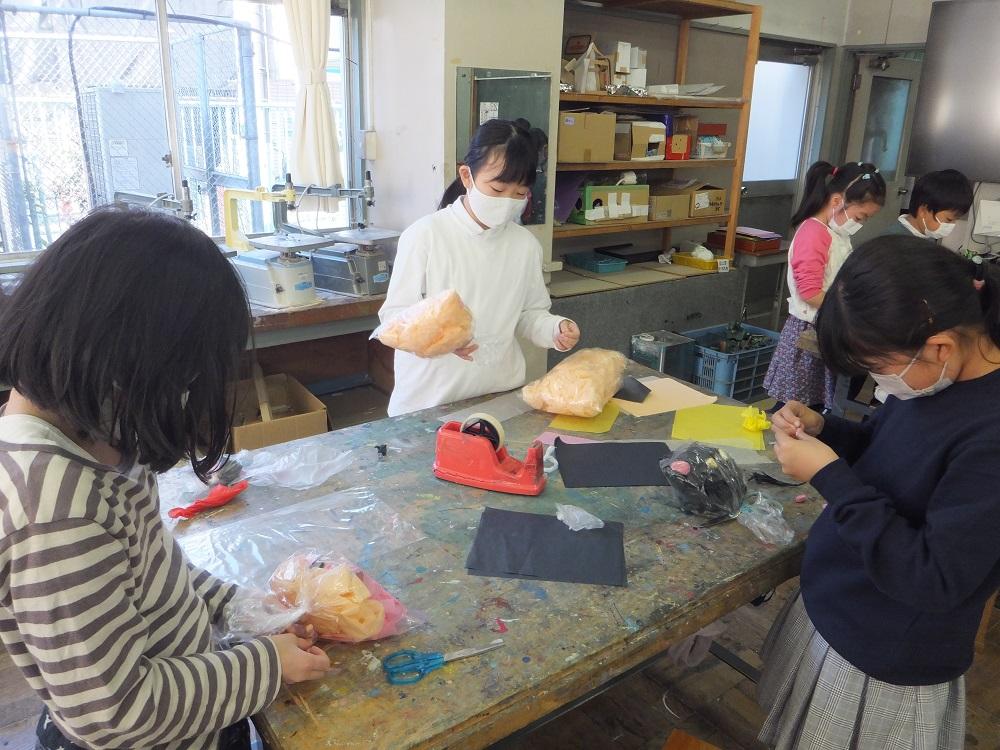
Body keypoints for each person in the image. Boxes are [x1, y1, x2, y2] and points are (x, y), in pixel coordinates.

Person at [0, 208, 331, 750]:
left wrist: (240, 608)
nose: (186, 394)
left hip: (196, 708)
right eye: (183, 377)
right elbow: (115, 712)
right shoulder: (57, 511)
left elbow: (156, 573)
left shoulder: (96, 440)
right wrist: (265, 665)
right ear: (122, 360)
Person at [759, 235, 1000, 749]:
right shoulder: (939, 375)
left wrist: (828, 475)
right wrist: (825, 429)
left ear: (939, 346)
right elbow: (885, 449)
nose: (877, 382)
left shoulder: (990, 434)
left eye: (878, 367)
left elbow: (934, 579)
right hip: (841, 605)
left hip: (885, 653)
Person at [379, 119, 580, 416]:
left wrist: (554, 329)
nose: (507, 201)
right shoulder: (425, 236)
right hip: (429, 403)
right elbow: (393, 320)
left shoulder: (525, 245)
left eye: (519, 193)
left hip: (499, 396)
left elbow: (528, 313)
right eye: (497, 189)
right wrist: (441, 341)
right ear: (467, 176)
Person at [763, 161, 886, 411]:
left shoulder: (836, 233)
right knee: (794, 408)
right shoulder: (814, 232)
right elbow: (810, 292)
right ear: (837, 201)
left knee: (813, 407)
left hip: (825, 325)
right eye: (860, 217)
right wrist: (849, 310)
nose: (860, 224)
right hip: (808, 333)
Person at [888, 168, 973, 240]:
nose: (952, 225)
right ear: (923, 211)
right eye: (949, 220)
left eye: (955, 220)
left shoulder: (926, 235)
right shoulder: (891, 242)